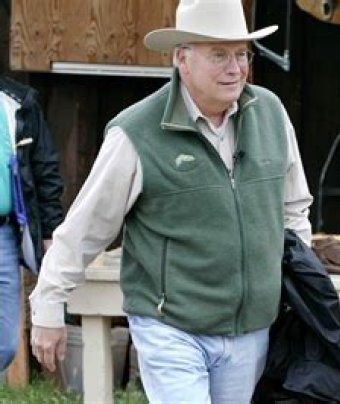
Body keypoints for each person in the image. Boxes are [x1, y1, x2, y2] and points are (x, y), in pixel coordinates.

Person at [29, 0, 312, 402]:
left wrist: (301, 284)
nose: (235, 68)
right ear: (182, 58)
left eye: (241, 54)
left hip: (252, 328)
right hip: (171, 326)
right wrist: (48, 304)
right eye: (219, 54)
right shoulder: (136, 133)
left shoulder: (271, 114)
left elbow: (294, 208)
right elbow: (83, 230)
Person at [0, 77, 64, 370]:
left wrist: (50, 233)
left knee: (5, 344)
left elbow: (45, 171)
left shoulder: (17, 102)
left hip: (4, 234)